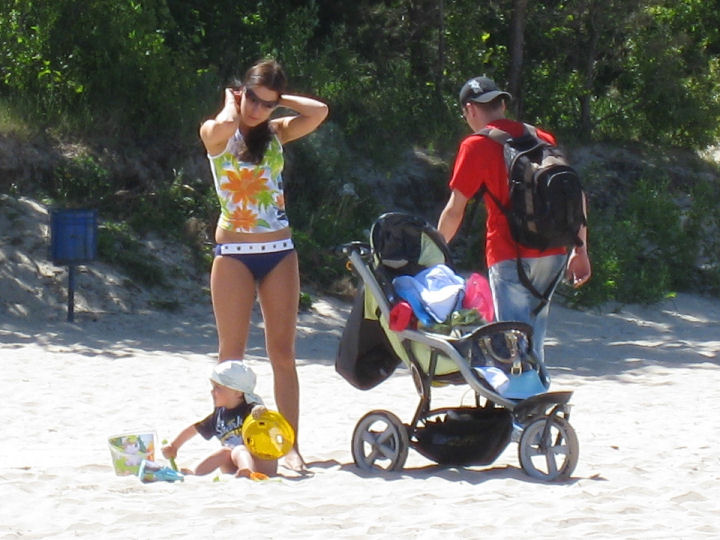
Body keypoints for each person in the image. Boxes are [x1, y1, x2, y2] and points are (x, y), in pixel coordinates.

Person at [199, 58, 328, 473]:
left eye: (266, 104)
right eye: (252, 99)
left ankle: (290, 445)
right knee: (230, 359)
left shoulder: (275, 132)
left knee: (283, 354)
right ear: (241, 93)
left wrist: (277, 100)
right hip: (234, 254)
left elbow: (319, 112)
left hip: (279, 252)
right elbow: (221, 126)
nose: (257, 109)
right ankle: (232, 445)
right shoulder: (217, 131)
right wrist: (233, 104)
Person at [437, 76, 591, 364]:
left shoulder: (475, 145)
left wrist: (434, 251)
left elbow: (455, 210)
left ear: (470, 109)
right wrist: (580, 249)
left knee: (512, 349)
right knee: (533, 341)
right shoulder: (542, 138)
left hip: (509, 253)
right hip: (554, 251)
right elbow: (575, 194)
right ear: (502, 105)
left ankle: (521, 391)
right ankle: (535, 387)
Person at [162, 361, 275, 478]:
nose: (212, 391)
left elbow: (263, 414)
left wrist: (260, 412)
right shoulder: (219, 415)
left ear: (238, 392)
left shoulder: (250, 408)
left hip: (261, 462)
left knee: (239, 449)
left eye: (218, 387)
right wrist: (174, 446)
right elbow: (194, 429)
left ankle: (247, 470)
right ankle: (195, 473)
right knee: (224, 452)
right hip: (233, 465)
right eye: (213, 387)